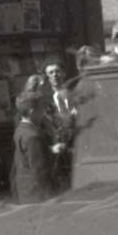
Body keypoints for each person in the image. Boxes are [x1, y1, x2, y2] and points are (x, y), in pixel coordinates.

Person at [10, 91, 56, 204]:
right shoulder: (33, 136)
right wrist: (51, 197)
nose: (43, 112)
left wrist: (49, 150)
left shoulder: (21, 130)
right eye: (41, 108)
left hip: (25, 192)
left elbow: (27, 157)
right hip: (37, 196)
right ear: (32, 111)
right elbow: (40, 171)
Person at [43, 60, 77, 190]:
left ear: (63, 73)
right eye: (50, 72)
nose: (54, 75)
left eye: (57, 71)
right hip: (57, 147)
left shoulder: (73, 93)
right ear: (47, 76)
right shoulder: (45, 98)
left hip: (76, 143)